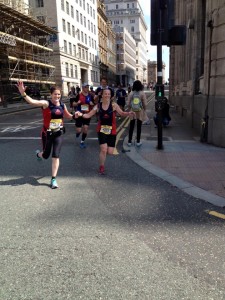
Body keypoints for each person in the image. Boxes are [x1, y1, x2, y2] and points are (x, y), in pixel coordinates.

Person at [16, 80, 75, 189]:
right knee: (46, 155)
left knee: (56, 155)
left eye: (59, 94)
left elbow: (68, 116)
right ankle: (38, 154)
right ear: (51, 95)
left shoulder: (62, 105)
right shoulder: (46, 104)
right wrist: (23, 94)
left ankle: (53, 179)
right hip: (47, 134)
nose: (57, 96)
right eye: (55, 94)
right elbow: (33, 102)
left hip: (59, 133)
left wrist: (76, 115)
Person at [75, 88, 135, 174]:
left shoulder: (114, 105)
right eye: (105, 94)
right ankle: (101, 167)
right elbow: (88, 115)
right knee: (103, 149)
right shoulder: (98, 106)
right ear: (102, 95)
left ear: (111, 96)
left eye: (108, 94)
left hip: (112, 130)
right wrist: (80, 114)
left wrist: (129, 113)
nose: (107, 95)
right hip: (101, 130)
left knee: (110, 152)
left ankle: (103, 156)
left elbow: (121, 113)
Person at [74, 83, 94, 149]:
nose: (87, 88)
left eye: (87, 87)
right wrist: (77, 103)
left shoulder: (90, 95)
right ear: (83, 88)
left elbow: (94, 104)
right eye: (86, 87)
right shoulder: (79, 95)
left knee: (85, 128)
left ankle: (82, 142)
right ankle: (78, 132)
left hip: (87, 114)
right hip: (79, 114)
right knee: (79, 130)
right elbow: (73, 104)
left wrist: (92, 104)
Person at [127, 80, 147, 147]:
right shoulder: (142, 93)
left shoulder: (131, 93)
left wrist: (130, 109)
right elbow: (144, 103)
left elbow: (128, 103)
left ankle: (129, 141)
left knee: (131, 126)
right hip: (140, 111)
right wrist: (144, 109)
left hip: (132, 111)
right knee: (139, 127)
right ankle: (138, 141)